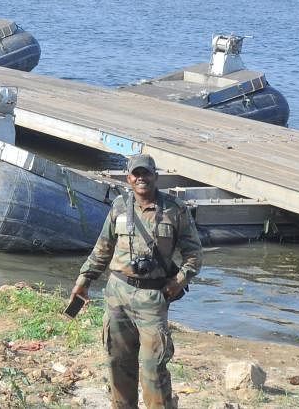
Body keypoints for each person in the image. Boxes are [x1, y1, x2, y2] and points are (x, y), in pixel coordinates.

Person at [71, 153, 202, 409]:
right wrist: (84, 279)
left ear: (156, 176)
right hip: (117, 294)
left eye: (146, 173)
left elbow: (194, 254)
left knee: (154, 365)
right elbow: (103, 248)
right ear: (129, 178)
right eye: (136, 174)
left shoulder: (175, 210)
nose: (141, 178)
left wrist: (178, 281)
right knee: (118, 362)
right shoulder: (119, 206)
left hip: (153, 299)